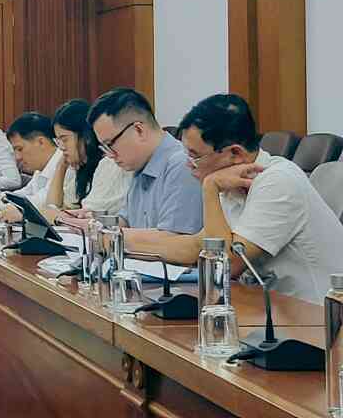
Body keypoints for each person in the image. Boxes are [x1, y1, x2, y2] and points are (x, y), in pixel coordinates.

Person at [156, 94, 343, 303]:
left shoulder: (278, 181)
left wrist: (210, 187)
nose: (188, 164)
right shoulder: (232, 182)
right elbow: (197, 246)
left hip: (317, 315)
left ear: (235, 153)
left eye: (195, 156)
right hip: (269, 308)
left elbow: (224, 265)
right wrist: (128, 242)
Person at [88, 88, 201, 255]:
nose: (110, 155)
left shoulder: (182, 164)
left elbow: (176, 244)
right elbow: (125, 221)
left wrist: (107, 236)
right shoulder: (140, 165)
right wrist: (90, 224)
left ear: (139, 130)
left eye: (110, 144)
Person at [39, 99, 132, 222]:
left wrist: (56, 216)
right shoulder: (78, 167)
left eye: (65, 139)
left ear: (86, 136)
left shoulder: (111, 164)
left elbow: (86, 216)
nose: (61, 147)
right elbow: (52, 208)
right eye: (58, 141)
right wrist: (61, 167)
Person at [4, 112, 61, 207]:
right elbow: (24, 193)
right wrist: (1, 197)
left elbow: (39, 203)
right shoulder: (41, 168)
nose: (17, 157)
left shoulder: (64, 164)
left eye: (20, 149)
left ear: (41, 142)